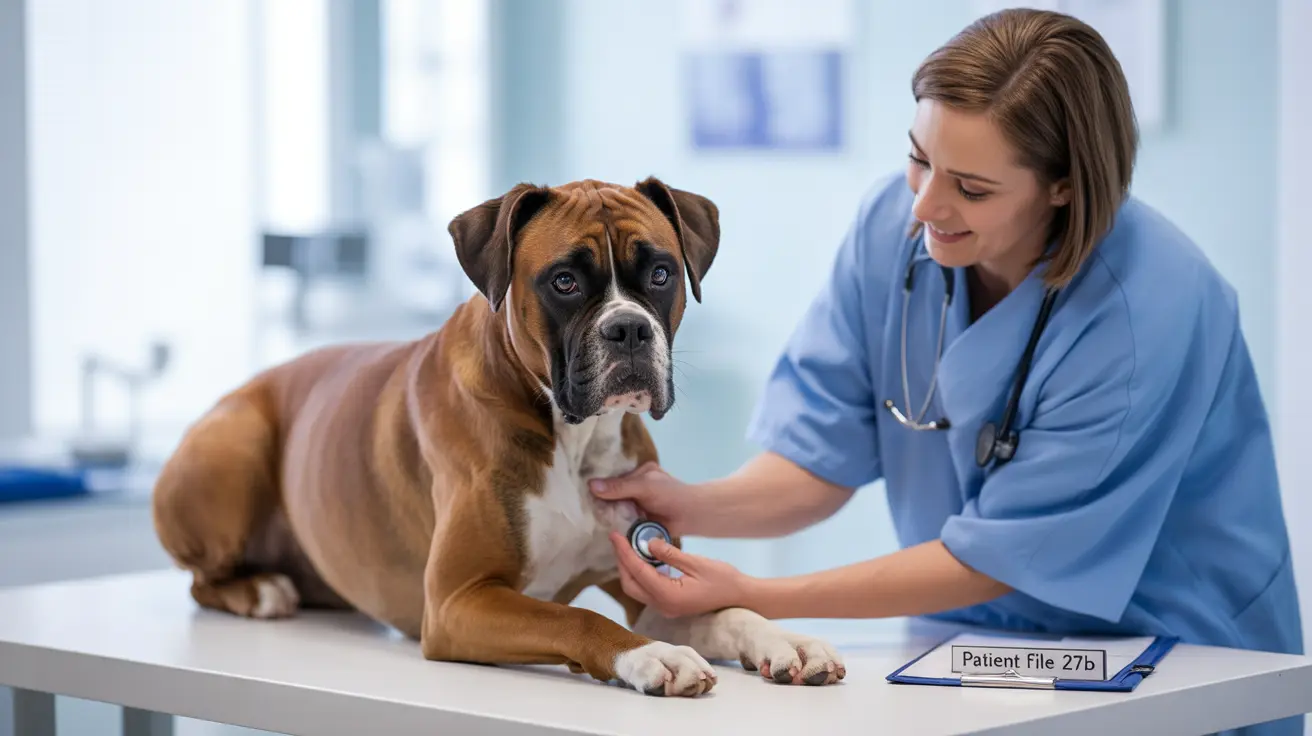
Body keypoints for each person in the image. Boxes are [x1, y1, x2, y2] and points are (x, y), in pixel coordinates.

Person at [592, 8, 1302, 733]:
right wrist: (686, 503)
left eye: (972, 187)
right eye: (919, 158)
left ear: (1063, 184)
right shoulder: (889, 229)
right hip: (971, 655)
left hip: (1176, 659)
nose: (926, 205)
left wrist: (759, 596)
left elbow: (1010, 553)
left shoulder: (1150, 306)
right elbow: (820, 451)